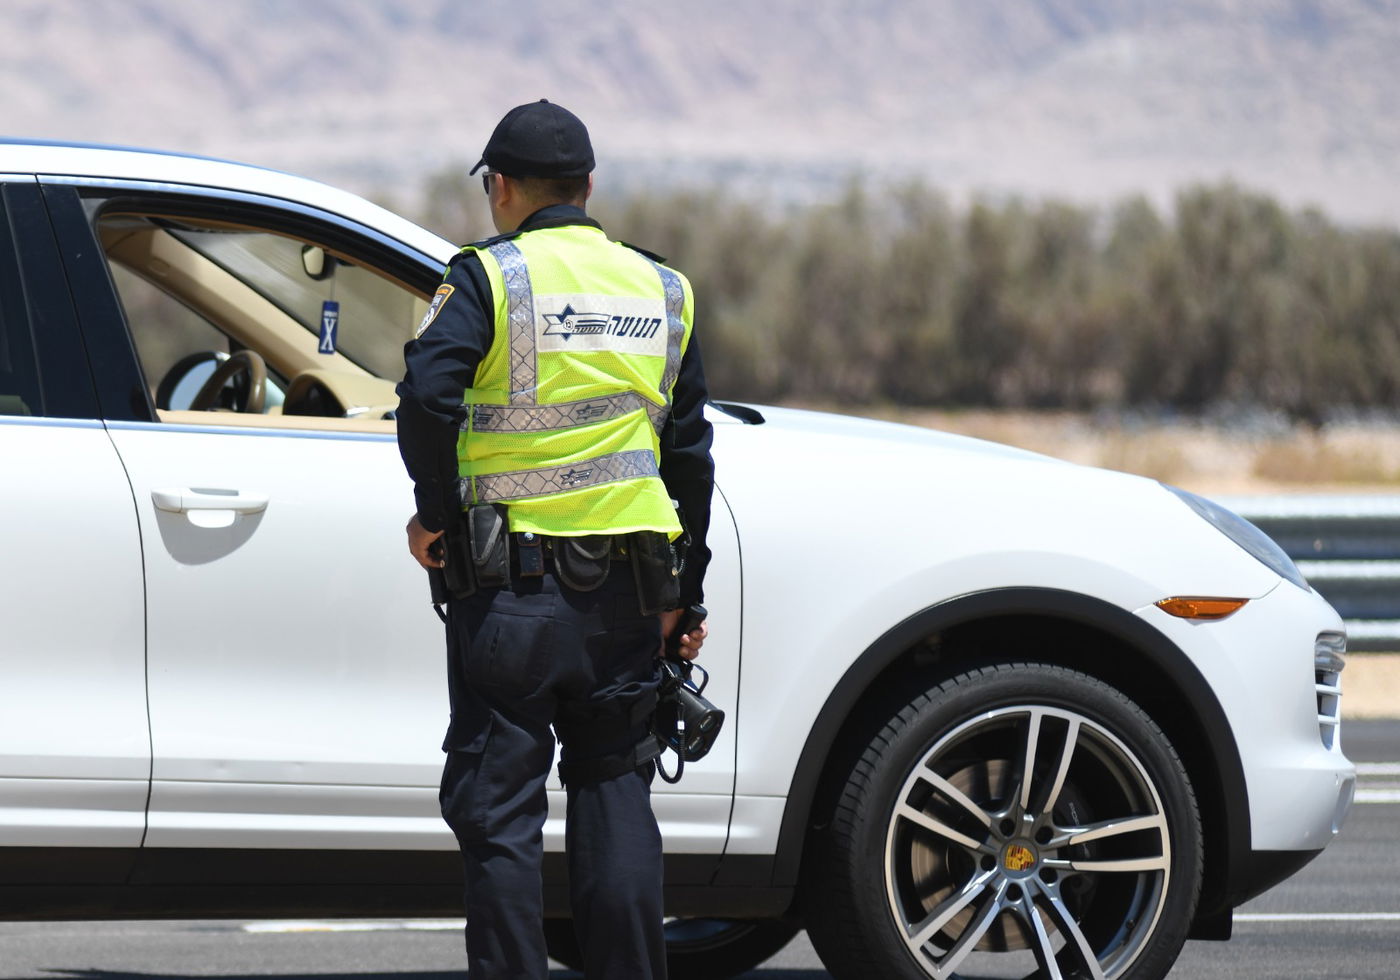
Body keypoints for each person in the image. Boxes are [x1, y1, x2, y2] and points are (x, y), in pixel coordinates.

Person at [395, 99, 715, 980]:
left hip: (511, 596)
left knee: (499, 814)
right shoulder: (663, 289)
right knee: (616, 795)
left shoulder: (491, 280)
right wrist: (684, 596)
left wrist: (436, 514)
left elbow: (426, 399)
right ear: (588, 187)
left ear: (500, 188)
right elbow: (689, 456)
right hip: (628, 598)